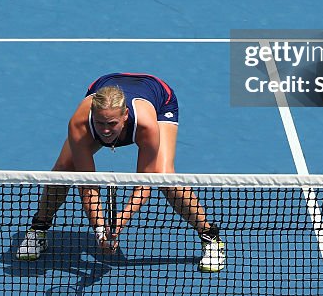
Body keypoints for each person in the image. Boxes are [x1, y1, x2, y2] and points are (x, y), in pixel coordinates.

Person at [15, 72, 226, 273]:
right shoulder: (79, 123)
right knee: (62, 170)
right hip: (106, 82)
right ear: (92, 115)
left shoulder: (145, 125)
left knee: (165, 177)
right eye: (100, 123)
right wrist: (100, 231)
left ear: (125, 115)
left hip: (159, 97)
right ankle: (38, 229)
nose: (105, 130)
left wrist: (117, 225)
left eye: (112, 123)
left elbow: (144, 185)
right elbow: (88, 185)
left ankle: (210, 236)